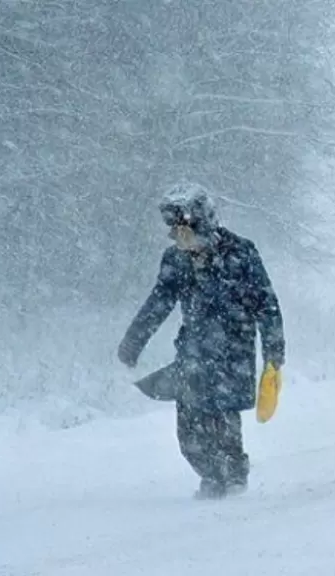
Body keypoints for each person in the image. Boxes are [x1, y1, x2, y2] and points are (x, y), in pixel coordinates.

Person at [117, 181, 285, 499]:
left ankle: (234, 479)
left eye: (185, 226)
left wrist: (274, 353)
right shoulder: (175, 260)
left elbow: (267, 305)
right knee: (189, 431)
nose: (178, 235)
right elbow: (159, 302)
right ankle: (210, 476)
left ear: (204, 221)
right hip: (192, 353)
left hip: (233, 352)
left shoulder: (241, 253)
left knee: (223, 420)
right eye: (174, 228)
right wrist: (133, 341)